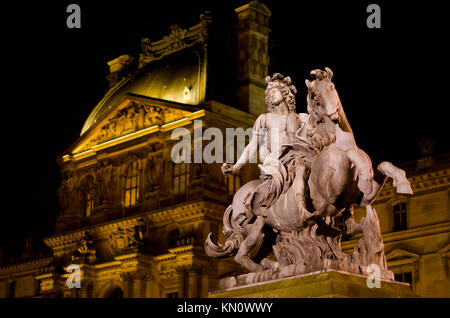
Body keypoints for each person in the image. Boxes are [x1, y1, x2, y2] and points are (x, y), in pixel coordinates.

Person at [222, 73, 315, 222]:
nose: (271, 96)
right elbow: (253, 146)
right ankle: (302, 209)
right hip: (278, 163)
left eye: (274, 92)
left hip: (301, 156)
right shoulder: (265, 119)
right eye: (269, 94)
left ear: (285, 93)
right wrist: (235, 167)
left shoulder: (300, 119)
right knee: (301, 168)